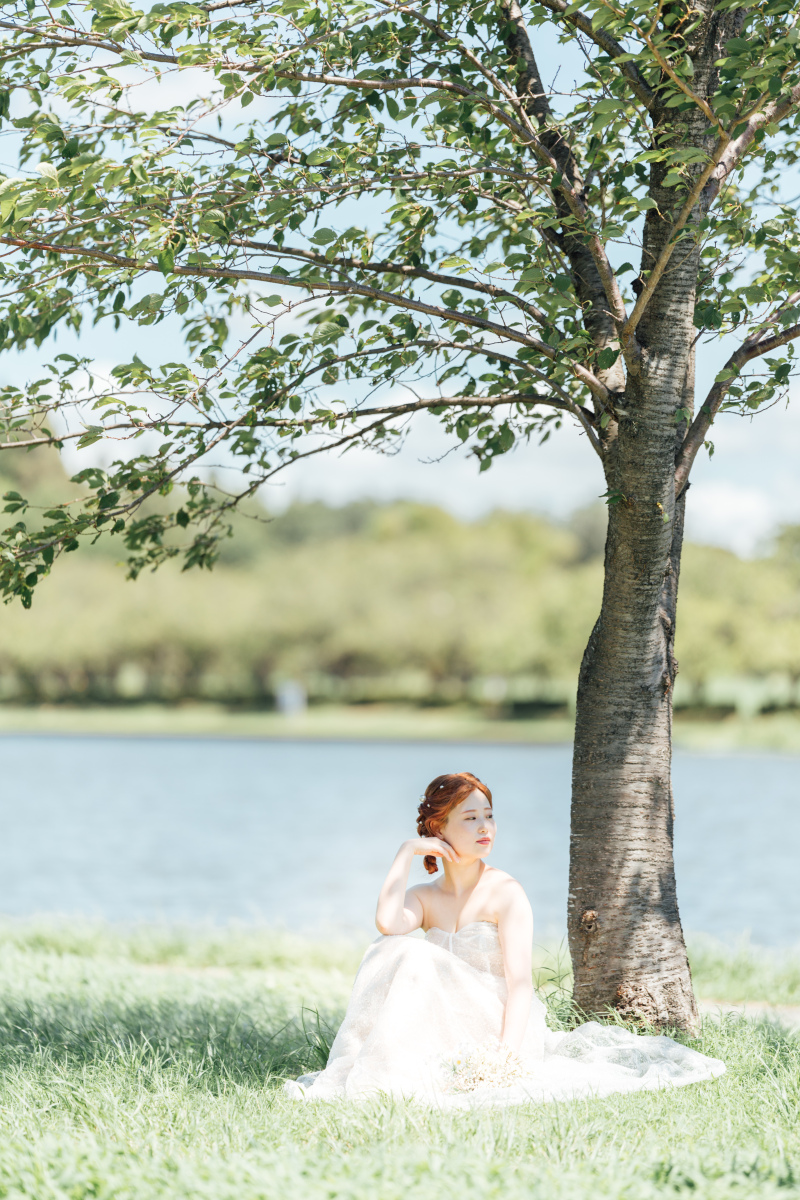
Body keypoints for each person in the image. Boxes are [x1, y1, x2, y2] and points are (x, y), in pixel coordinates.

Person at [285, 771, 725, 1105]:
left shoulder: (505, 892)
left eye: (489, 816)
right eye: (470, 818)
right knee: (395, 948)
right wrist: (405, 854)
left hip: (497, 1026)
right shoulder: (423, 897)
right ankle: (378, 1070)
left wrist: (505, 1058)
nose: (485, 828)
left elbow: (519, 985)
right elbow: (386, 924)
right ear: (438, 829)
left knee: (414, 955)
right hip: (440, 1024)